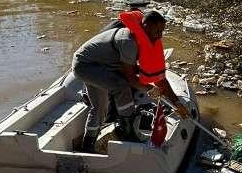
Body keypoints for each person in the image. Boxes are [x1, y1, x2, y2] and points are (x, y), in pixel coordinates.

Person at [65, 9, 189, 151]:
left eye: (162, 31)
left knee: (99, 108)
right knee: (121, 86)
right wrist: (150, 89)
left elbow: (159, 79)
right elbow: (130, 79)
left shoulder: (147, 40)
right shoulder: (128, 41)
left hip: (102, 65)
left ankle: (87, 147)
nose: (160, 36)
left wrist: (176, 103)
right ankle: (127, 130)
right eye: (157, 31)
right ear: (146, 26)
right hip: (86, 66)